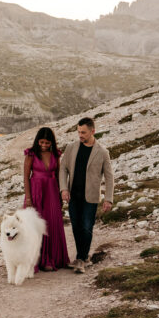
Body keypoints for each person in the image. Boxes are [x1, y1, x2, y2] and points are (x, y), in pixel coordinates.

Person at [59, 117, 114, 273]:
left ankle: (81, 259)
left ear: (92, 131)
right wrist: (64, 188)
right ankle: (83, 258)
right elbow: (63, 169)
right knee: (76, 227)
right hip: (73, 196)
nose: (80, 135)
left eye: (83, 132)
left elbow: (109, 177)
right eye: (78, 132)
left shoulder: (102, 152)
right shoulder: (71, 147)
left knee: (87, 227)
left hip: (90, 197)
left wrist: (108, 199)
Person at [22, 127, 70, 271]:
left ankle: (52, 259)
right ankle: (36, 260)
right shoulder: (31, 154)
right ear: (38, 140)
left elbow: (59, 174)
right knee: (35, 226)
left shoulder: (56, 154)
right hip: (36, 191)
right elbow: (25, 177)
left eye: (47, 143)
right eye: (41, 142)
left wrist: (62, 193)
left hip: (52, 192)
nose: (44, 145)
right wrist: (28, 198)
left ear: (51, 143)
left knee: (52, 224)